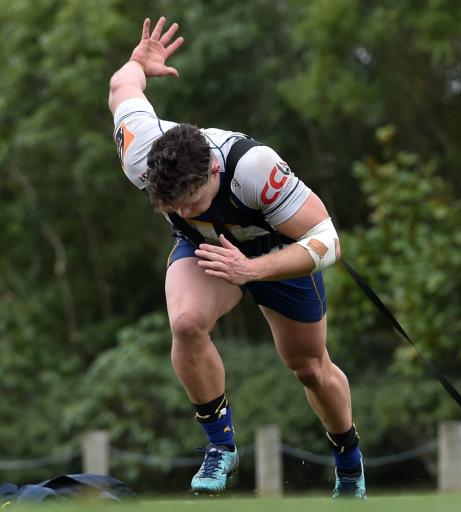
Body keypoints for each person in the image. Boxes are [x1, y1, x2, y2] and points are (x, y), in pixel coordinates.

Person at [107, 17, 366, 499]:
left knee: (309, 367)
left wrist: (253, 269)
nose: (184, 211)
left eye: (193, 201)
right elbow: (122, 84)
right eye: (173, 206)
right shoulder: (139, 151)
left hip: (276, 251)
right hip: (206, 250)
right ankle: (220, 445)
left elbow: (328, 240)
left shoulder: (254, 167)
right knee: (184, 322)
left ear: (212, 169)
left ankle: (349, 463)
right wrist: (139, 61)